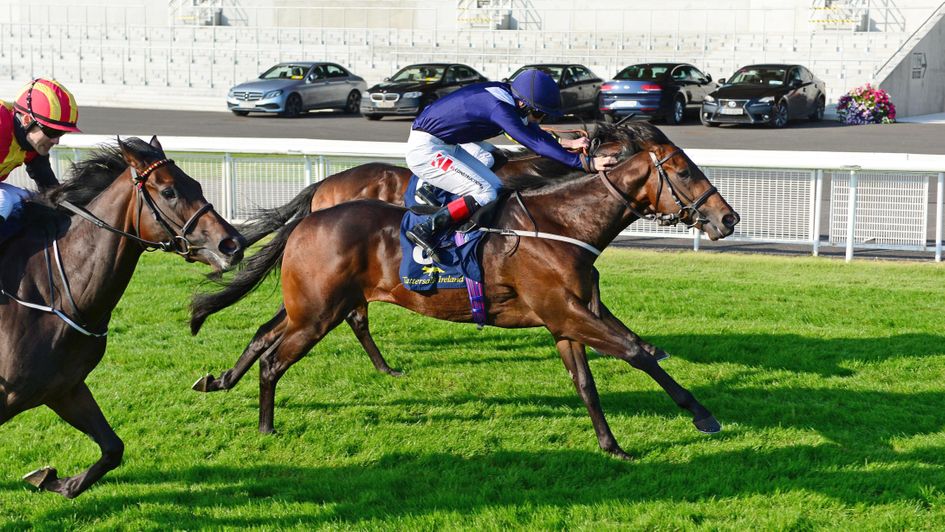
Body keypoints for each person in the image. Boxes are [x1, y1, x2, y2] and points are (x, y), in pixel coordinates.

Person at [404, 68, 617, 262]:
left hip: (446, 144)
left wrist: (568, 144)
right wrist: (585, 163)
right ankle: (427, 229)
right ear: (524, 103)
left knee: (494, 188)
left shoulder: (509, 95)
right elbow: (532, 142)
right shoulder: (498, 107)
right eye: (539, 113)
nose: (539, 118)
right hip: (426, 150)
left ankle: (459, 229)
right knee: (484, 191)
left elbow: (534, 133)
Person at [0, 78, 80, 225]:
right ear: (26, 120)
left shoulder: (33, 144)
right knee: (3, 201)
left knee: (31, 198)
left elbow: (50, 189)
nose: (56, 141)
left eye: (60, 133)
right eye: (51, 131)